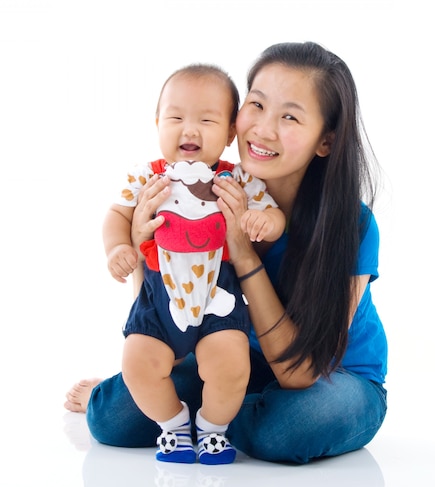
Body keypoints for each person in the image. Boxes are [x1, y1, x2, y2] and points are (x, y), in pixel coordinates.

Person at [65, 41, 388, 465]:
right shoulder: (209, 194)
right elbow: (168, 322)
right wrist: (150, 247)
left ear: (325, 140)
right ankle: (216, 410)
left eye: (289, 116)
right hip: (233, 352)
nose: (263, 129)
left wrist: (245, 254)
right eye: (256, 104)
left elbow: (301, 373)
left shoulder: (351, 224)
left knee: (290, 427)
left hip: (330, 377)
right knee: (114, 420)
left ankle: (215, 419)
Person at [101, 64, 285, 465]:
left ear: (230, 134)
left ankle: (213, 429)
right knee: (137, 361)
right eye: (176, 117)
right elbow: (117, 215)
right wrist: (119, 248)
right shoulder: (147, 177)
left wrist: (264, 221)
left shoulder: (235, 179)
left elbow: (275, 216)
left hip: (217, 297)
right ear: (157, 122)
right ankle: (174, 425)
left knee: (230, 363)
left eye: (207, 120)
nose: (190, 129)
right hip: (158, 300)